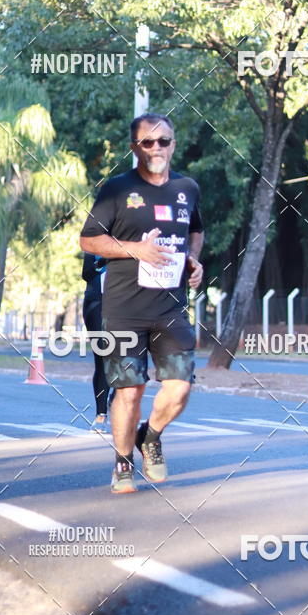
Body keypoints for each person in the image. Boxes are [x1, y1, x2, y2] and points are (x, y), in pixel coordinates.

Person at [80, 113, 204, 493]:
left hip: (170, 308)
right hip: (124, 309)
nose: (156, 148)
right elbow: (88, 241)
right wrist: (136, 250)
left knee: (180, 387)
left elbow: (195, 231)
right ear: (134, 147)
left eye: (163, 141)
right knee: (130, 390)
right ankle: (122, 463)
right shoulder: (117, 189)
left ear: (173, 143)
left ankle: (150, 436)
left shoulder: (187, 188)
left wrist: (194, 262)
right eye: (147, 142)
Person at [82, 253, 113, 431]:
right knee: (103, 357)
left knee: (130, 354)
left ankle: (116, 398)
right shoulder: (95, 236)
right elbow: (86, 273)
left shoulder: (134, 234)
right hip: (97, 301)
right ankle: (101, 414)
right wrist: (105, 259)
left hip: (128, 301)